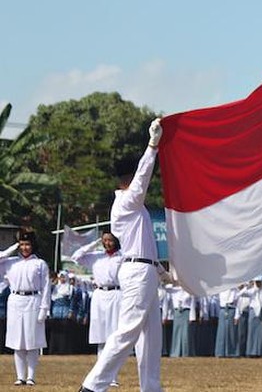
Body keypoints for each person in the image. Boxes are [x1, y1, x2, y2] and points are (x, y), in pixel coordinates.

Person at [79, 118, 171, 392]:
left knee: (151, 337)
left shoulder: (131, 205)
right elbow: (142, 180)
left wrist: (160, 270)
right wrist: (152, 147)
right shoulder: (126, 202)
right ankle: (93, 385)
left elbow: (144, 245)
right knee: (128, 331)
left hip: (146, 269)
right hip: (137, 271)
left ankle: (151, 387)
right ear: (128, 179)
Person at [70, 231, 124, 386]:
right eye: (104, 240)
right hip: (99, 295)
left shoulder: (122, 257)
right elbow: (76, 256)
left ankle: (112, 376)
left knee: (113, 337)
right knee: (100, 337)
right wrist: (94, 244)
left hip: (116, 294)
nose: (107, 243)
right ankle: (101, 375)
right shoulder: (95, 257)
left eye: (110, 240)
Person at [0, 232, 50, 386]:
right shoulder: (10, 262)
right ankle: (20, 376)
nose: (25, 247)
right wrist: (13, 247)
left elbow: (46, 287)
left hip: (33, 300)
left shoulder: (40, 263)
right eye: (21, 244)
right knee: (17, 341)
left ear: (33, 245)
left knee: (32, 340)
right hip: (15, 301)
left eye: (27, 244)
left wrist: (44, 308)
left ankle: (31, 377)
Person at [215, 287, 239, 357]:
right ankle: (220, 352)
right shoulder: (220, 290)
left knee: (231, 332)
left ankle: (231, 352)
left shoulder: (235, 290)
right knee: (222, 332)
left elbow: (238, 304)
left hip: (231, 309)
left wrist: (237, 316)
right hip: (222, 310)